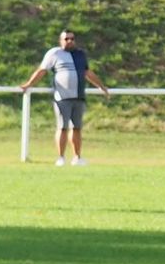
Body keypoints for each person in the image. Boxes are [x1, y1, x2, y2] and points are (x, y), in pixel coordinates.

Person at [18, 29, 110, 165]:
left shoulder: (80, 54)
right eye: (66, 39)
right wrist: (29, 84)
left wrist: (101, 86)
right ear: (60, 40)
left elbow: (87, 73)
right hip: (62, 98)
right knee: (62, 127)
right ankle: (61, 157)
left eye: (72, 39)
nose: (69, 41)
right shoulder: (54, 53)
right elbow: (42, 70)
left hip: (78, 96)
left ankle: (77, 157)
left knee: (77, 128)